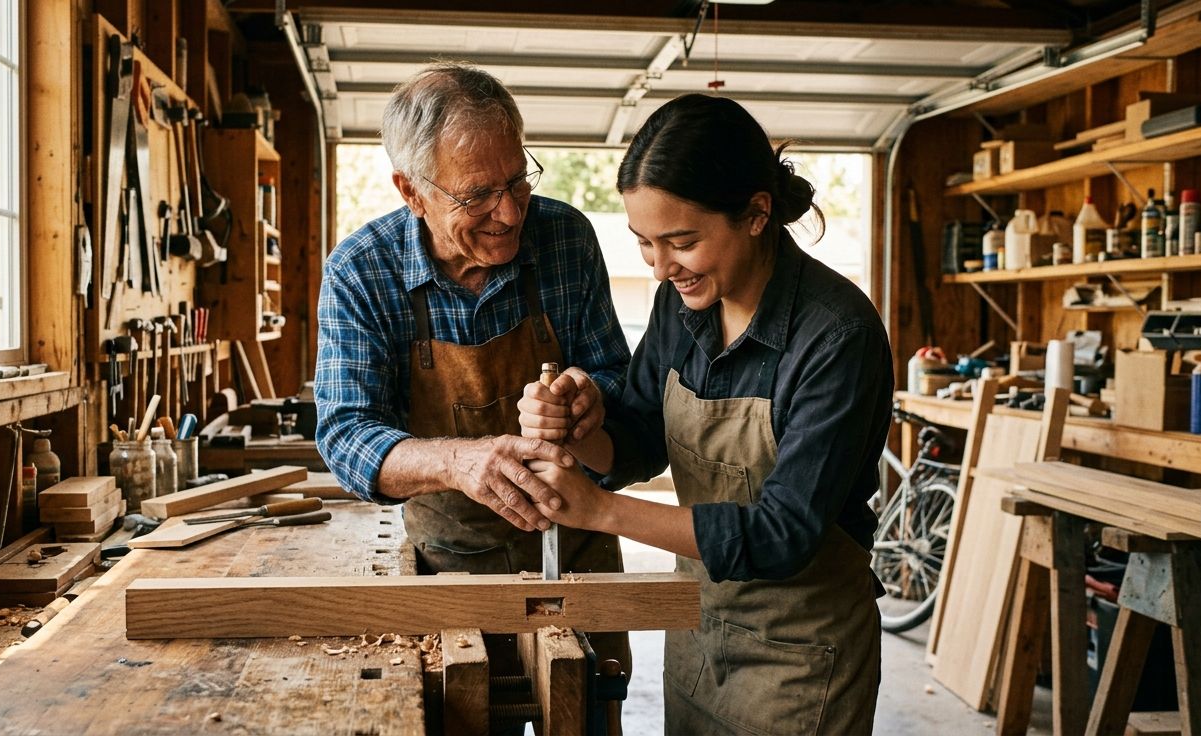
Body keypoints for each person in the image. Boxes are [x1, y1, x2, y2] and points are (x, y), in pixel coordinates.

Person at [518, 93, 892, 735]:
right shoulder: (683, 306)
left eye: (682, 242)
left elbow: (782, 535)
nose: (663, 268)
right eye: (644, 243)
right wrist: (583, 430)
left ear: (755, 214)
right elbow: (637, 436)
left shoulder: (837, 337)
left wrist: (599, 512)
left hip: (802, 653)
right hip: (701, 627)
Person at [314, 63, 632, 677]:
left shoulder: (565, 237)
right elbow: (346, 435)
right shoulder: (361, 272)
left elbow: (616, 374)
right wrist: (458, 462)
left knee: (589, 705)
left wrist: (592, 396)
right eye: (477, 195)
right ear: (412, 191)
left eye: (518, 181)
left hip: (580, 547)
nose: (509, 214)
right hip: (449, 563)